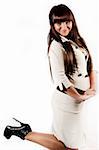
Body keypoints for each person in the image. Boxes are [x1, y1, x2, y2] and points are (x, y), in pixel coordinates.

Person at [3, 4, 96, 150]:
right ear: (52, 24)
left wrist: (92, 89)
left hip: (78, 103)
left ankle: (23, 131)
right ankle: (25, 133)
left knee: (68, 145)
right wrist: (79, 97)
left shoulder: (78, 40)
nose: (64, 27)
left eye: (67, 21)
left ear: (72, 21)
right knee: (69, 147)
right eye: (58, 22)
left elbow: (90, 66)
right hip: (67, 102)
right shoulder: (56, 46)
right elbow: (61, 80)